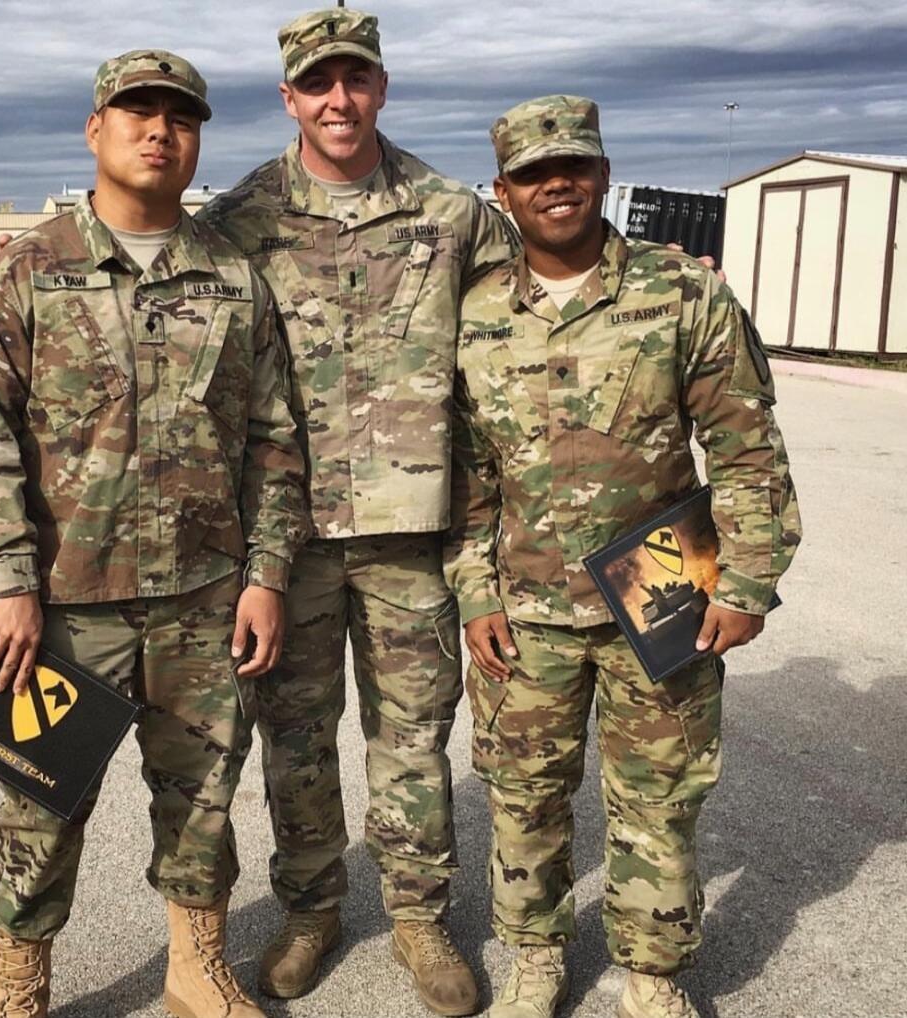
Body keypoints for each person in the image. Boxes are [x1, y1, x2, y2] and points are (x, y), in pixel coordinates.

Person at [0, 50, 308, 1018]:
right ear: (94, 129)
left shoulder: (232, 276)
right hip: (66, 601)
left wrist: (267, 574)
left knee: (202, 800)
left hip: (203, 596)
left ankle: (196, 968)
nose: (159, 131)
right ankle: (19, 984)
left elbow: (273, 436)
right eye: (136, 112)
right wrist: (10, 583)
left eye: (180, 117)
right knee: (41, 800)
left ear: (197, 139)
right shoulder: (30, 267)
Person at [443, 96, 801, 1018]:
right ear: (503, 192)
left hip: (663, 589)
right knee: (523, 796)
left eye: (574, 164)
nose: (555, 183)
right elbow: (469, 475)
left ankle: (651, 972)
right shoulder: (476, 316)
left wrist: (752, 580)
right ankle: (534, 959)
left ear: (603, 174)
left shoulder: (683, 292)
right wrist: (477, 593)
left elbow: (746, 446)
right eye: (532, 172)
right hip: (526, 610)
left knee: (660, 795)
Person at [191, 10, 518, 1014]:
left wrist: (669, 280)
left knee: (414, 735)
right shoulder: (239, 220)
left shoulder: (452, 213)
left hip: (417, 534)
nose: (339, 99)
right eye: (318, 83)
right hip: (284, 542)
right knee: (295, 737)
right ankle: (313, 906)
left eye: (356, 80)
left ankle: (418, 916)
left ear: (382, 87)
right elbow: (153, 302)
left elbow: (524, 326)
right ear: (289, 97)